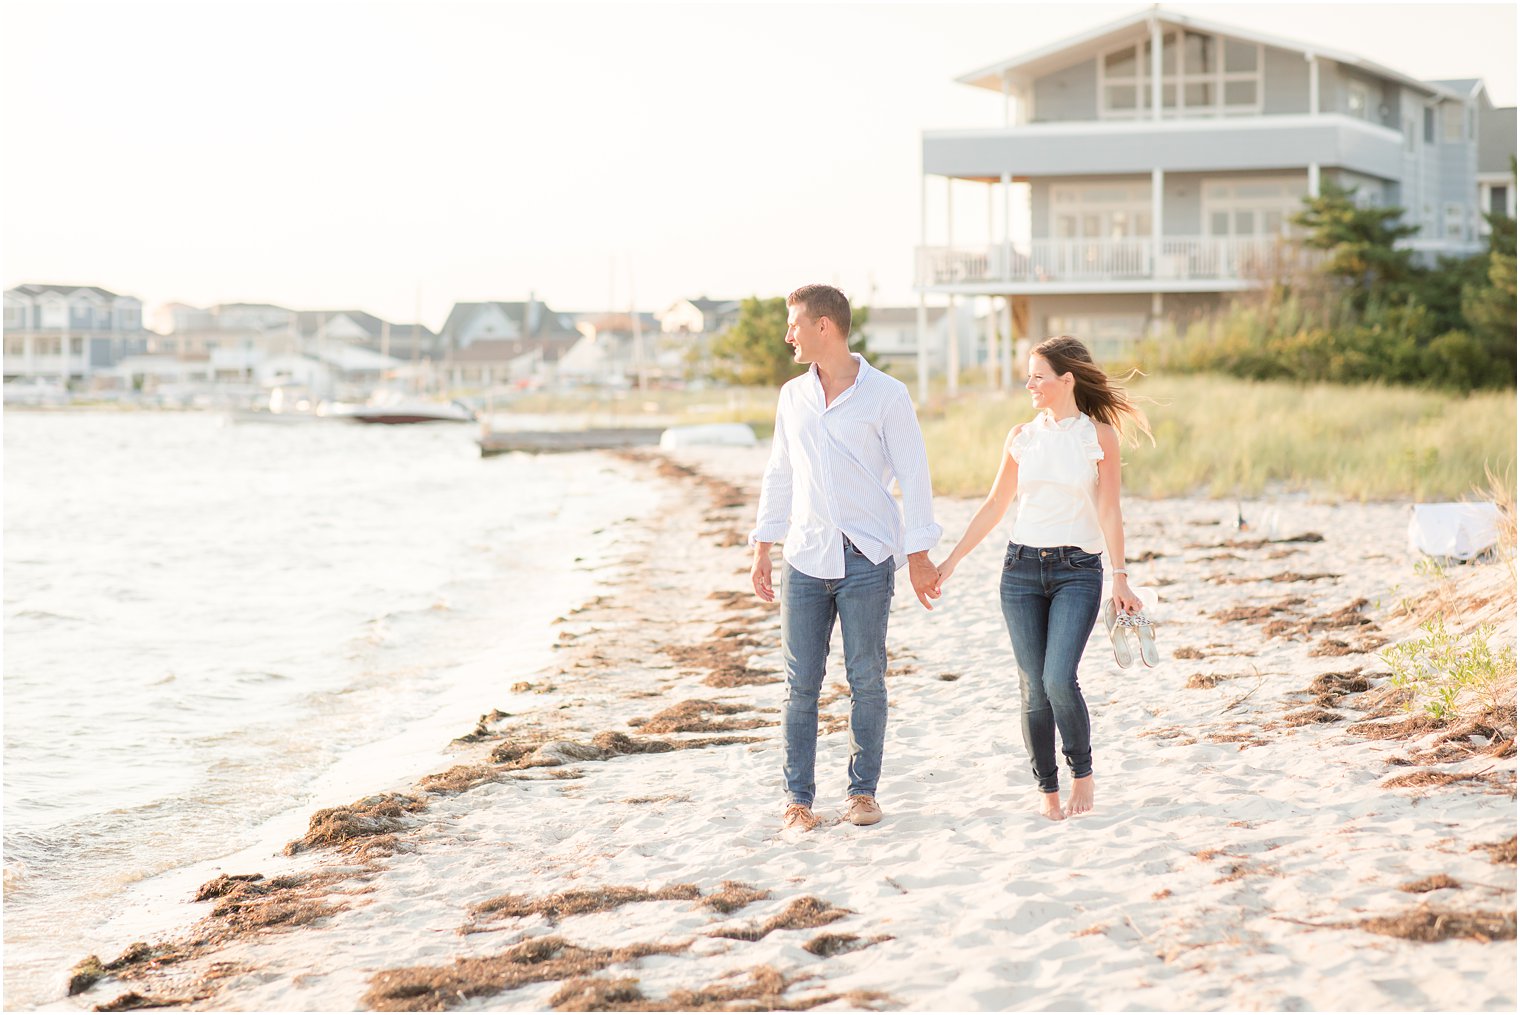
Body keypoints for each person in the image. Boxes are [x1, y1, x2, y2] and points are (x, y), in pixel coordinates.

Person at [932, 336, 1151, 821]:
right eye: (1028, 375)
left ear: (1066, 380)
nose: (1029, 384)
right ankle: (1047, 788)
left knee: (1057, 678)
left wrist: (1120, 576)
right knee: (1032, 686)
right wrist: (952, 562)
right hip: (1020, 572)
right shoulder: (1021, 436)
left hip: (1078, 571)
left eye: (1038, 376)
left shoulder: (1098, 437)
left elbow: (1110, 509)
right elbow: (995, 506)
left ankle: (1083, 772)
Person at [750, 284, 942, 833]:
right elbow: (780, 472)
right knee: (800, 685)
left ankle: (862, 794)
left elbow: (914, 474)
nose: (788, 334)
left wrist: (920, 552)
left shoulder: (886, 394)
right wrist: (764, 544)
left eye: (794, 324)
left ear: (824, 327)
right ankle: (799, 801)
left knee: (867, 679)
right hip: (805, 558)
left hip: (868, 556)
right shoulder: (793, 396)